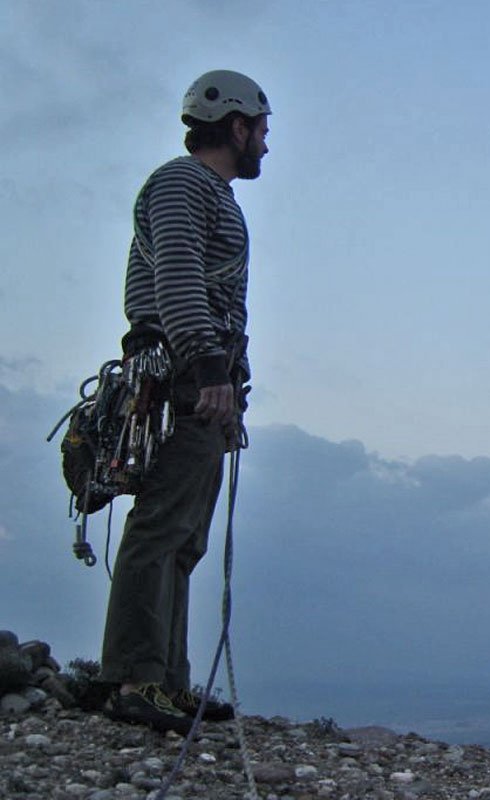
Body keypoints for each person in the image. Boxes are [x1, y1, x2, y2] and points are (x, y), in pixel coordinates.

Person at [99, 69, 271, 734]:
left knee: (184, 535)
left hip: (201, 375)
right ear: (236, 126)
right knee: (162, 525)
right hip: (182, 374)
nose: (265, 144)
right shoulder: (181, 183)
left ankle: (165, 682)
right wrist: (206, 366)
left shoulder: (210, 193)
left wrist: (226, 374)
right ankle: (135, 679)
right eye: (261, 130)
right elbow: (175, 276)